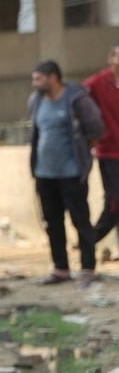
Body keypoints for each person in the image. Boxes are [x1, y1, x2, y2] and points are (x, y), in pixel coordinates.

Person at [28, 60, 103, 290]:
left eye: (39, 78)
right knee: (52, 221)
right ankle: (60, 268)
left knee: (80, 220)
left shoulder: (76, 99)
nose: (35, 83)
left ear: (54, 77)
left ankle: (87, 268)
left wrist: (83, 154)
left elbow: (96, 129)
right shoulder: (36, 101)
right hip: (45, 172)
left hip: (71, 172)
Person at [82, 43, 119, 253]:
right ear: (110, 58)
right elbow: (78, 99)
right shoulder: (97, 83)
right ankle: (90, 240)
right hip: (110, 152)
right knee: (115, 202)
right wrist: (92, 134)